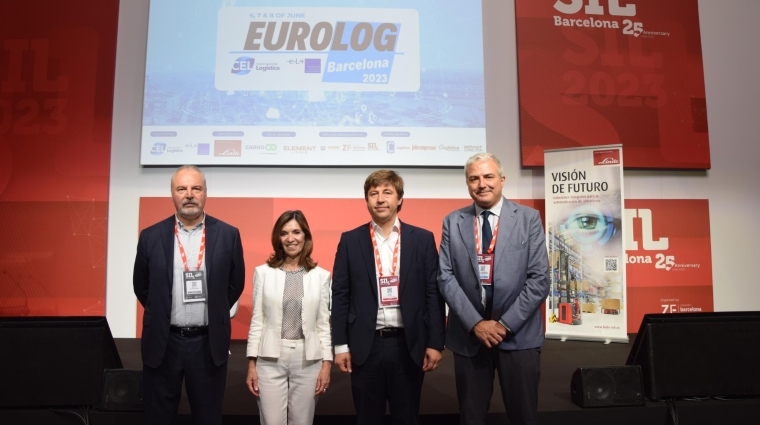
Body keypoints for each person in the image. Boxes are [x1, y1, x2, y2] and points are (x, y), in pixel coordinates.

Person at [438, 153, 550, 425]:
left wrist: (503, 325)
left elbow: (539, 280)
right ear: (467, 184)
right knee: (471, 417)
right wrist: (476, 323)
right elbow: (445, 276)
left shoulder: (528, 218)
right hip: (470, 337)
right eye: (474, 178)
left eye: (488, 177)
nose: (481, 184)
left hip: (518, 334)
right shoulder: (453, 221)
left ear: (501, 180)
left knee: (523, 416)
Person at [331, 170, 446, 425]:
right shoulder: (350, 240)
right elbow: (340, 295)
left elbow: (433, 293)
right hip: (365, 345)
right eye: (373, 194)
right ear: (367, 200)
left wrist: (436, 342)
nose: (380, 199)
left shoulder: (422, 239)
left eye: (387, 193)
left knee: (407, 418)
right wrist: (340, 345)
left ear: (400, 199)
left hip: (409, 344)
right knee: (367, 418)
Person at [133, 165, 246, 425]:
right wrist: (162, 312)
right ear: (172, 194)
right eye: (181, 189)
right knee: (157, 417)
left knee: (208, 418)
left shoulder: (228, 235)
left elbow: (234, 283)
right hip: (164, 341)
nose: (189, 194)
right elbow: (142, 286)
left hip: (207, 343)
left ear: (206, 193)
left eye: (196, 188)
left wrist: (215, 311)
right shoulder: (150, 236)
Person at [245, 210, 332, 425]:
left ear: (305, 236)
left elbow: (323, 324)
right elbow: (258, 320)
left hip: (308, 359)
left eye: (296, 232)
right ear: (278, 238)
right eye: (284, 233)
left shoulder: (321, 276)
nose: (290, 238)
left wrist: (327, 364)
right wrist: (251, 364)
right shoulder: (262, 273)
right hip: (269, 358)